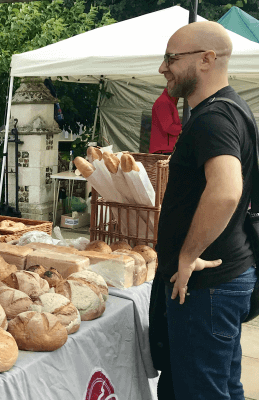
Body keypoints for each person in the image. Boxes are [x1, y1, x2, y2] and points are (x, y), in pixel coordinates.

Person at [155, 21, 258, 400]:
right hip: (224, 280)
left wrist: (186, 255)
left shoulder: (212, 119)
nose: (163, 68)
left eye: (171, 58)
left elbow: (227, 190)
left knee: (202, 392)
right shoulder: (232, 107)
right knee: (225, 387)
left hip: (207, 285)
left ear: (206, 60)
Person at [149, 86, 182, 155]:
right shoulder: (163, 102)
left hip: (165, 148)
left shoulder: (168, 101)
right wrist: (183, 129)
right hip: (163, 149)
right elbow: (168, 127)